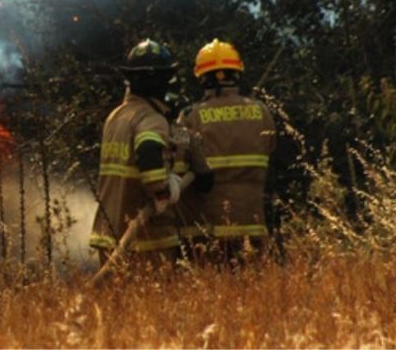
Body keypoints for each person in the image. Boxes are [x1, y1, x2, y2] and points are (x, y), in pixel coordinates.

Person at [89, 38, 188, 268]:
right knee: (155, 303)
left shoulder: (116, 116)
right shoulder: (152, 118)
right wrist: (164, 189)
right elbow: (148, 151)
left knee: (116, 303)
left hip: (109, 232)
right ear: (163, 81)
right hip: (144, 240)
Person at [176, 38, 277, 265]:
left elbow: (177, 162)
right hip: (254, 225)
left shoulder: (189, 116)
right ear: (236, 74)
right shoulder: (262, 112)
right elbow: (270, 148)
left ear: (202, 78)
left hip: (209, 231)